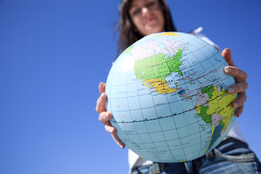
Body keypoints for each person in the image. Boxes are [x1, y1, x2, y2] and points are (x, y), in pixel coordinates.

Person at [96, 0, 261, 173]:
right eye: (136, 10)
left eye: (151, 3)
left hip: (221, 148)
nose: (146, 11)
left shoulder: (198, 42)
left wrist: (234, 86)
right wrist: (111, 116)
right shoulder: (122, 67)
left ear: (163, 9)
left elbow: (225, 81)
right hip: (152, 163)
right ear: (133, 24)